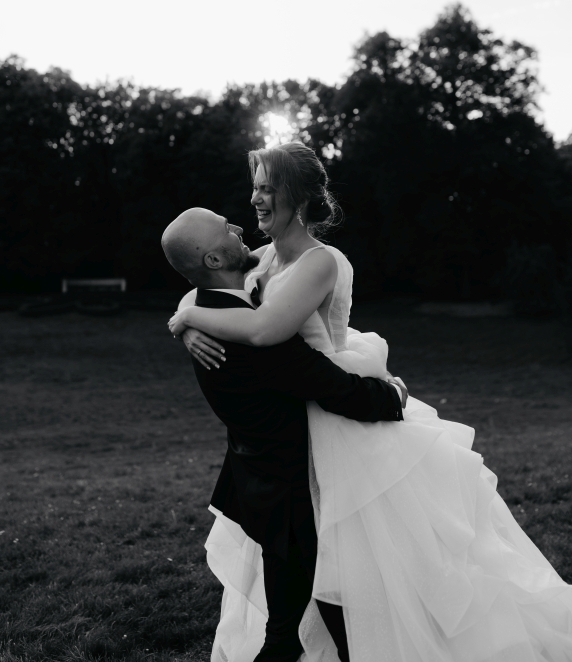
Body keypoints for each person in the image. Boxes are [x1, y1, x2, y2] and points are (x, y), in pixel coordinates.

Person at [169, 141, 572, 662]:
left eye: (267, 188)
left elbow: (264, 327)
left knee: (371, 574)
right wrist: (183, 320)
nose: (254, 200)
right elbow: (207, 280)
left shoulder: (319, 261)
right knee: (321, 577)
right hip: (300, 431)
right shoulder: (262, 258)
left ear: (298, 196)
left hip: (342, 426)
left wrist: (188, 318)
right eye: (255, 187)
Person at [161, 208, 405, 662]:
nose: (240, 228)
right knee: (333, 625)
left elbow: (198, 291)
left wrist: (185, 320)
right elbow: (334, 389)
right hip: (295, 496)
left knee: (296, 625)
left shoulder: (210, 307)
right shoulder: (251, 338)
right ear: (214, 260)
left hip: (261, 482)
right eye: (226, 229)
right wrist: (393, 396)